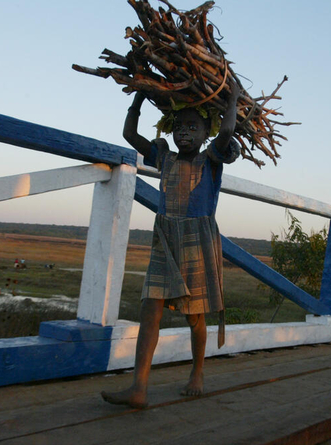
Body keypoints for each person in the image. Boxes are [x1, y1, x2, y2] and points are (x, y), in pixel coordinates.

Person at [102, 81, 242, 409]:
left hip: (198, 240)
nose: (184, 133)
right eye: (179, 127)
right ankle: (139, 387)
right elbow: (129, 136)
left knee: (194, 317)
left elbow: (227, 134)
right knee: (149, 308)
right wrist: (137, 99)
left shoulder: (212, 158)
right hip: (164, 238)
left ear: (207, 130)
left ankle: (197, 373)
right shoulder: (163, 156)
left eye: (193, 127)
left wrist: (232, 99)